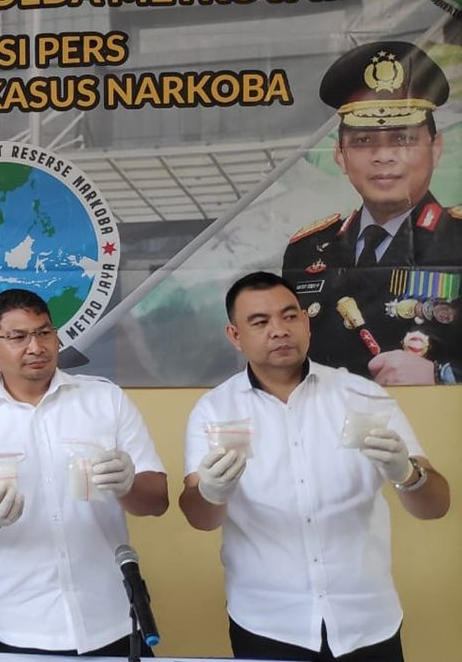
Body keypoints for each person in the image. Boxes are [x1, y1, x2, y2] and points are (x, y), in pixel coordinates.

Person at [180, 272, 450, 661]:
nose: (279, 330)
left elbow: (436, 505)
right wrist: (211, 492)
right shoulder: (214, 410)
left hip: (367, 622)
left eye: (290, 316)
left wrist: (407, 475)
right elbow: (200, 517)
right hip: (267, 624)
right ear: (235, 336)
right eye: (260, 322)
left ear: (306, 323)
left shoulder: (363, 396)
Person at [0, 288, 168, 656]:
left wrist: (127, 485)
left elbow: (157, 500)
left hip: (111, 618)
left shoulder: (105, 399)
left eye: (44, 332)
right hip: (20, 625)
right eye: (18, 337)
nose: (36, 346)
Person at [282, 40, 461, 385]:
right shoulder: (306, 251)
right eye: (364, 141)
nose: (383, 156)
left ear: (436, 149)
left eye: (403, 140)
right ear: (340, 156)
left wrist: (442, 376)